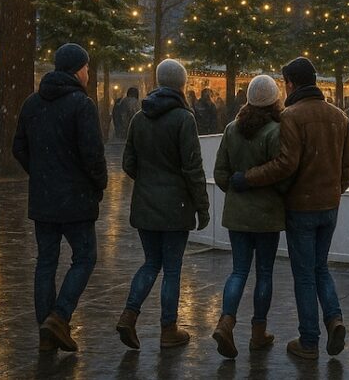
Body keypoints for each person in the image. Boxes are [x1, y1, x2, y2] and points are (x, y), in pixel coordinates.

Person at [234, 57, 349, 359]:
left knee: (304, 274)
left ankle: (309, 341)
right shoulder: (339, 116)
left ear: (290, 83)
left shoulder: (291, 116)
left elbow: (285, 164)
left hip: (301, 208)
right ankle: (334, 318)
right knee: (320, 268)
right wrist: (333, 190)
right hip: (329, 208)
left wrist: (248, 178)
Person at [13, 43, 107, 353]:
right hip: (76, 198)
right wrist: (98, 184)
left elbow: (19, 147)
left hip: (44, 200)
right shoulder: (81, 104)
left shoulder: (32, 103)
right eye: (87, 68)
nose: (89, 74)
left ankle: (46, 330)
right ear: (79, 69)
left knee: (46, 262)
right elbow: (92, 154)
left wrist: (40, 174)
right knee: (85, 257)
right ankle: (59, 316)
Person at [116, 59, 209, 350]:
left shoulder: (139, 118)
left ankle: (129, 315)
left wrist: (148, 181)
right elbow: (192, 168)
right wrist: (202, 206)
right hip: (175, 207)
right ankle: (168, 329)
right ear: (182, 84)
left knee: (150, 263)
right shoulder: (184, 119)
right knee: (171, 269)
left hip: (145, 205)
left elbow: (128, 162)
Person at [211, 75, 286, 358]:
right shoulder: (275, 131)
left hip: (238, 216)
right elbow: (280, 175)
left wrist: (235, 193)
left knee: (239, 270)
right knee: (264, 273)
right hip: (266, 216)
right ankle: (258, 333)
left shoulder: (232, 129)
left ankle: (226, 321)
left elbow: (220, 172)